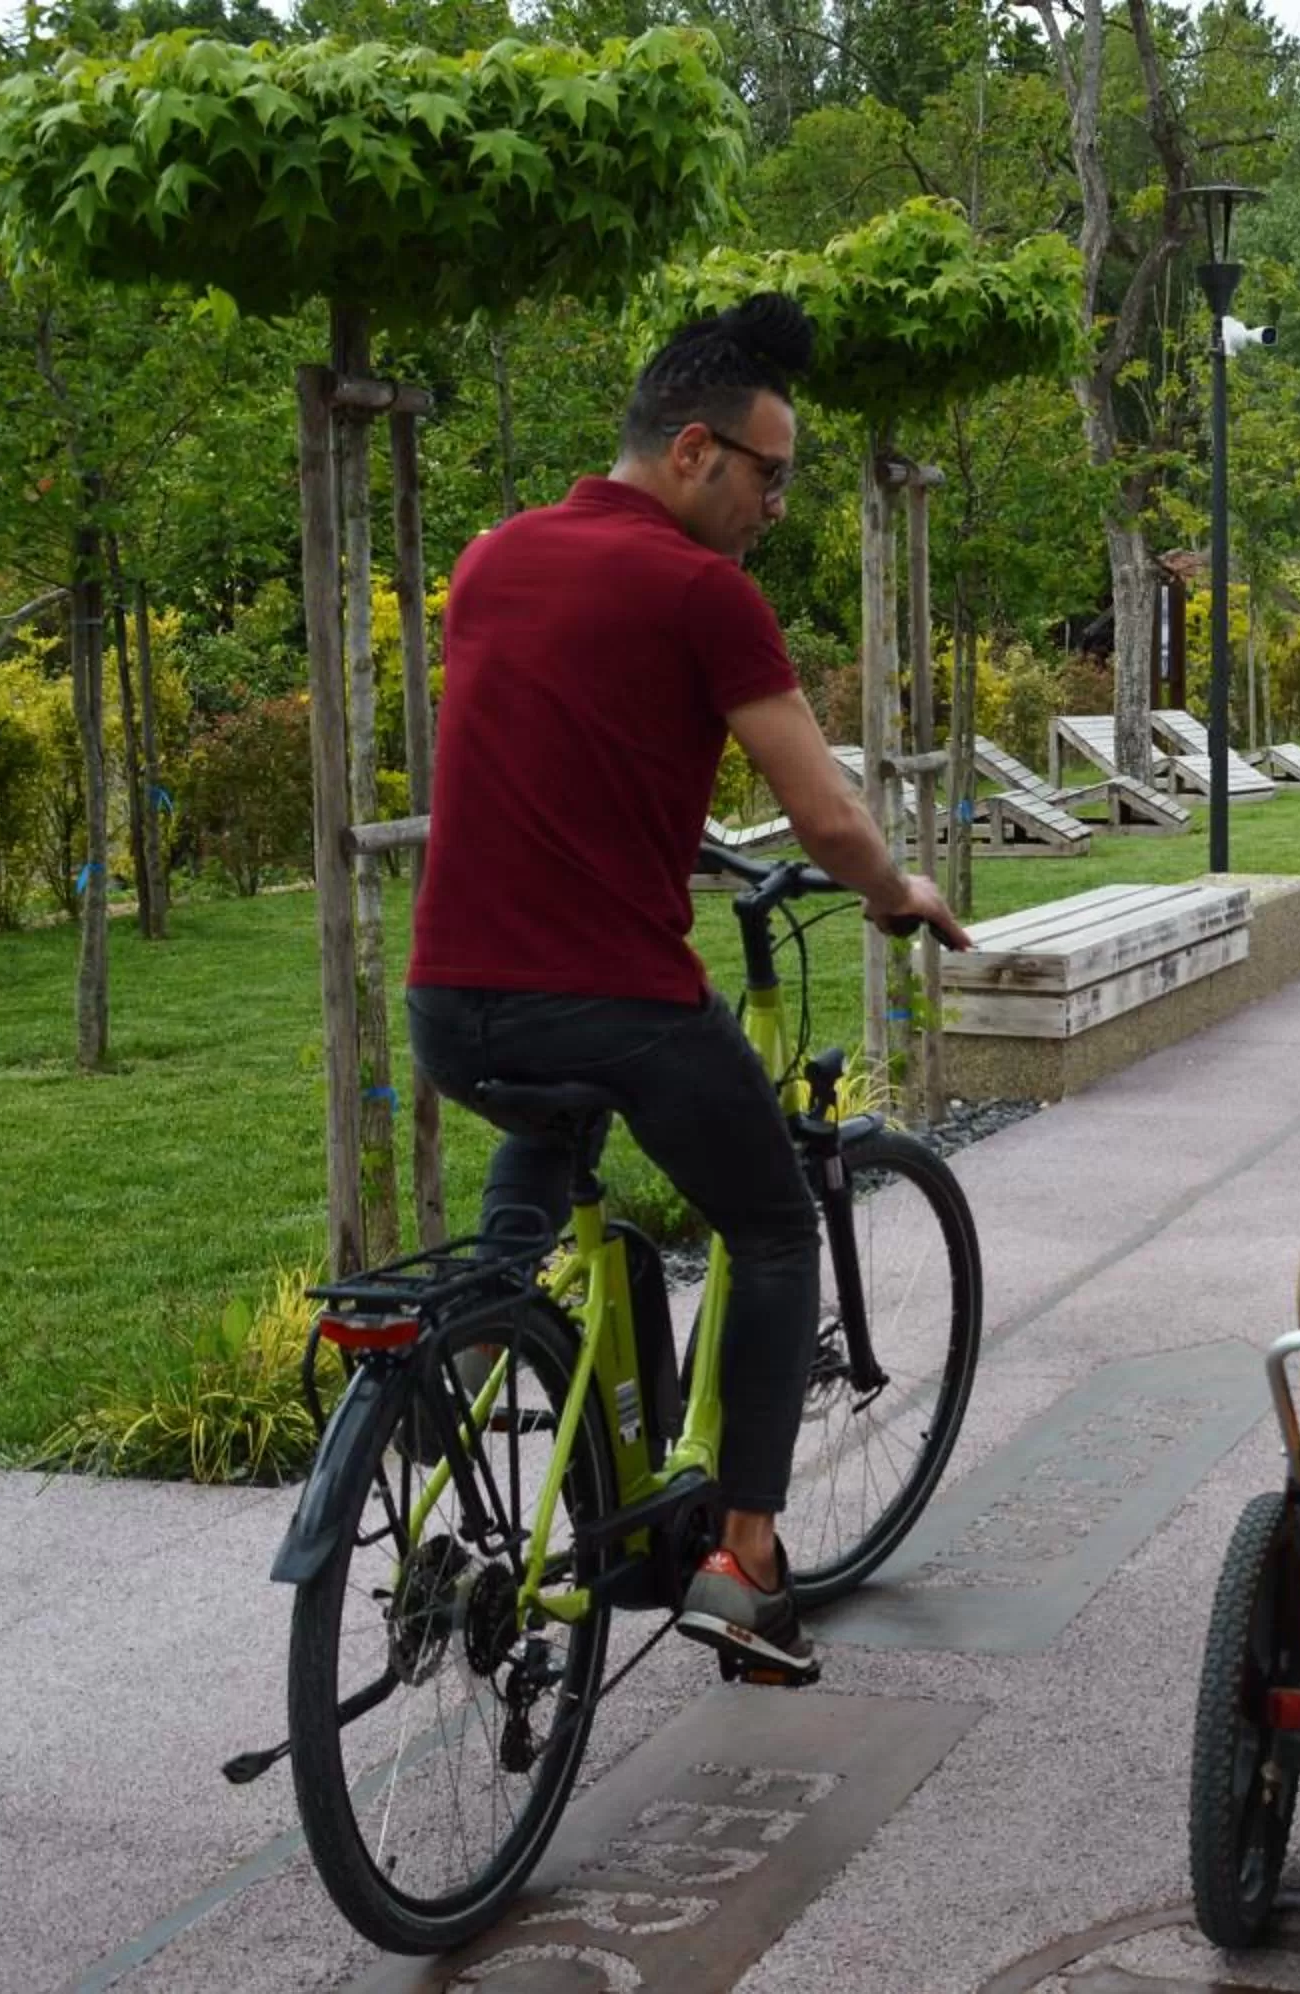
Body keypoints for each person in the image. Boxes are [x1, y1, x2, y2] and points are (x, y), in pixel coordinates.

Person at [405, 292, 968, 1686]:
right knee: (773, 1223)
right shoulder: (703, 593)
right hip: (615, 998)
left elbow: (557, 745)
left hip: (450, 998)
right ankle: (746, 1561)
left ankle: (466, 1371)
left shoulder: (489, 560)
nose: (780, 504)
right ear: (696, 452)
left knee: (549, 1131)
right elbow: (828, 817)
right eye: (771, 474)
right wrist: (898, 892)